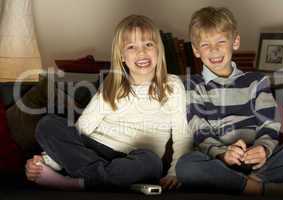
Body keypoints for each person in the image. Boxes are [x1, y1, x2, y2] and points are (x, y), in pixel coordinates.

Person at [25, 15, 192, 191]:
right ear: (122, 56)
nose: (141, 52)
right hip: (95, 150)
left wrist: (174, 172)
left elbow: (182, 134)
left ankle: (72, 182)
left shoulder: (172, 85)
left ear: (158, 49)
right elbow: (83, 127)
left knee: (152, 163)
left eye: (148, 45)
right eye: (131, 47)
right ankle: (107, 177)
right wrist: (48, 160)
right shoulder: (112, 84)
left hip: (135, 158)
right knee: (48, 124)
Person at [176, 6, 283, 196]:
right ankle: (257, 187)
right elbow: (199, 130)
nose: (214, 50)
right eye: (205, 45)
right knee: (186, 165)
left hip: (259, 160)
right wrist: (223, 154)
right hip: (220, 162)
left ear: (235, 42)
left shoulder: (257, 81)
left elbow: (270, 123)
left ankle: (252, 181)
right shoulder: (193, 85)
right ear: (196, 50)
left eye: (221, 41)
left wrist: (263, 149)